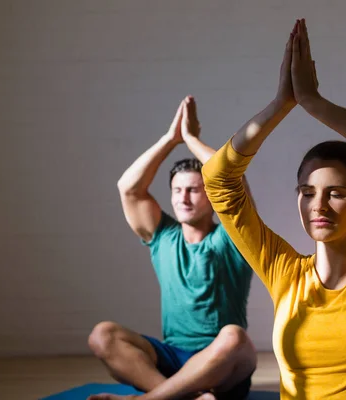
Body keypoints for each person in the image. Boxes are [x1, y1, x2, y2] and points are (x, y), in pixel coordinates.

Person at [201, 19, 346, 399]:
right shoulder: (284, 272)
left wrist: (314, 104)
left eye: (336, 193)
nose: (318, 205)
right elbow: (219, 180)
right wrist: (280, 106)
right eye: (307, 192)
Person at [87, 96, 257, 400]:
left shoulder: (232, 237)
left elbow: (233, 179)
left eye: (193, 190)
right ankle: (183, 396)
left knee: (235, 337)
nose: (183, 198)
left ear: (210, 196)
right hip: (172, 360)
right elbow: (128, 188)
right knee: (103, 335)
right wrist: (171, 139)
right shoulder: (164, 235)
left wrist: (192, 139)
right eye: (177, 190)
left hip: (222, 363)